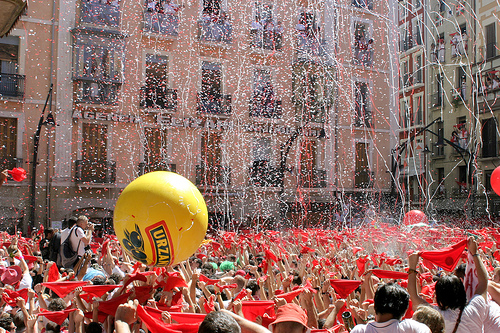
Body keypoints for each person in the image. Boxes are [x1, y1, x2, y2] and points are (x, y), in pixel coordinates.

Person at [407, 237, 489, 333]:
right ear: (462, 291)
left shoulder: (435, 315)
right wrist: (475, 253)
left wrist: (412, 267)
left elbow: (413, 295)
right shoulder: (475, 308)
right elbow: (483, 281)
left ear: (439, 297)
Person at [351, 283, 431, 332]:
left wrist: (369, 318)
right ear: (404, 311)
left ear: (375, 305)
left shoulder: (359, 331)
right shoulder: (411, 328)